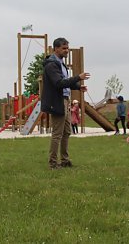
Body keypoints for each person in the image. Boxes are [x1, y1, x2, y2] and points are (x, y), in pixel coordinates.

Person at [41, 37, 90, 170]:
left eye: (67, 48)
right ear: (56, 48)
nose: (66, 51)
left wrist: (78, 86)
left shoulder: (61, 64)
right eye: (64, 48)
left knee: (67, 131)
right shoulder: (51, 64)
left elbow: (66, 82)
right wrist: (78, 77)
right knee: (57, 133)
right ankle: (52, 162)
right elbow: (59, 83)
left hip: (65, 100)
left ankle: (65, 160)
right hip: (57, 101)